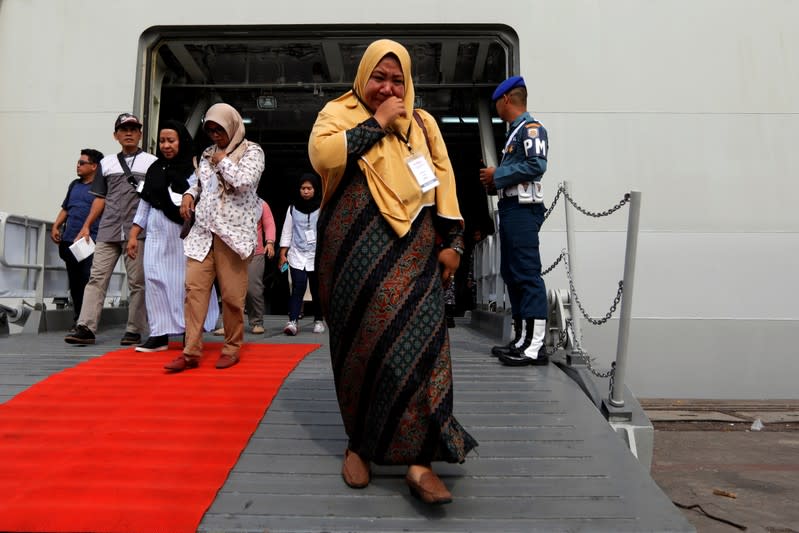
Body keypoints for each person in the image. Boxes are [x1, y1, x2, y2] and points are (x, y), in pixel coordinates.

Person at [309, 39, 477, 505]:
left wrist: (454, 243)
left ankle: (420, 462)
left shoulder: (422, 123)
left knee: (424, 346)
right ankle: (360, 446)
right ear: (363, 77)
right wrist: (377, 123)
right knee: (361, 346)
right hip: (351, 251)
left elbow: (442, 177)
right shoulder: (337, 113)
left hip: (415, 245)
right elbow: (323, 157)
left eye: (396, 79)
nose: (387, 87)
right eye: (378, 78)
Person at [164, 103, 265, 373]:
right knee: (193, 293)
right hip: (202, 233)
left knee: (232, 297)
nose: (214, 135)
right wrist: (189, 194)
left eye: (219, 129)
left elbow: (244, 183)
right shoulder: (207, 153)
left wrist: (224, 163)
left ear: (232, 126)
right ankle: (190, 352)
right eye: (210, 130)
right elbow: (200, 183)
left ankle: (232, 348)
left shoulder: (252, 151)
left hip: (231, 235)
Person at [126, 121, 219, 352]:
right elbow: (145, 204)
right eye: (163, 141)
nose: (166, 146)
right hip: (156, 233)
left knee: (182, 284)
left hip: (183, 234)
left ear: (182, 141)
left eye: (171, 140)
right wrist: (134, 234)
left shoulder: (194, 167)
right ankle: (159, 334)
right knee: (154, 280)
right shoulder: (155, 169)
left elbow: (201, 197)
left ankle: (191, 331)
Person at [65, 113, 156, 346]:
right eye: (124, 129)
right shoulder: (106, 163)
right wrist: (86, 226)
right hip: (108, 229)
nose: (129, 133)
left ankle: (134, 329)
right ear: (115, 135)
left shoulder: (151, 162)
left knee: (137, 281)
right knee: (96, 278)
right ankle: (85, 327)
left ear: (140, 134)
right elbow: (100, 199)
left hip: (138, 230)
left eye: (133, 129)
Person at [479, 76, 550, 366]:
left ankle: (534, 346)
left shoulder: (531, 129)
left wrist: (497, 175)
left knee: (526, 273)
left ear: (506, 99)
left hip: (523, 209)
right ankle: (522, 339)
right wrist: (495, 183)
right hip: (511, 207)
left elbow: (537, 165)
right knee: (511, 272)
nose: (496, 107)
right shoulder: (515, 133)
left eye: (497, 102)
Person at [51, 148, 105, 332]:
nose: (78, 165)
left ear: (94, 166)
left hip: (90, 241)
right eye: (78, 162)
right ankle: (78, 320)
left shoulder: (101, 187)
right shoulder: (74, 184)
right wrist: (55, 226)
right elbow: (66, 208)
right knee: (75, 283)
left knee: (87, 280)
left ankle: (85, 322)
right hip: (69, 240)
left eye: (82, 163)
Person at [278, 173, 324, 336]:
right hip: (297, 254)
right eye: (303, 188)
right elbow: (287, 231)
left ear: (315, 189)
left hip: (316, 255)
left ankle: (318, 320)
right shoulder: (292, 208)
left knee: (316, 289)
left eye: (309, 188)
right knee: (298, 286)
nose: (305, 191)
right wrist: (283, 253)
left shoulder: (322, 207)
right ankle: (293, 321)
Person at [246, 200, 276, 334]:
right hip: (232, 252)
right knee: (230, 289)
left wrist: (269, 242)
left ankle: (257, 322)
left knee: (253, 288)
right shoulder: (230, 200)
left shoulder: (261, 204)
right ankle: (228, 324)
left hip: (255, 252)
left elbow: (269, 225)